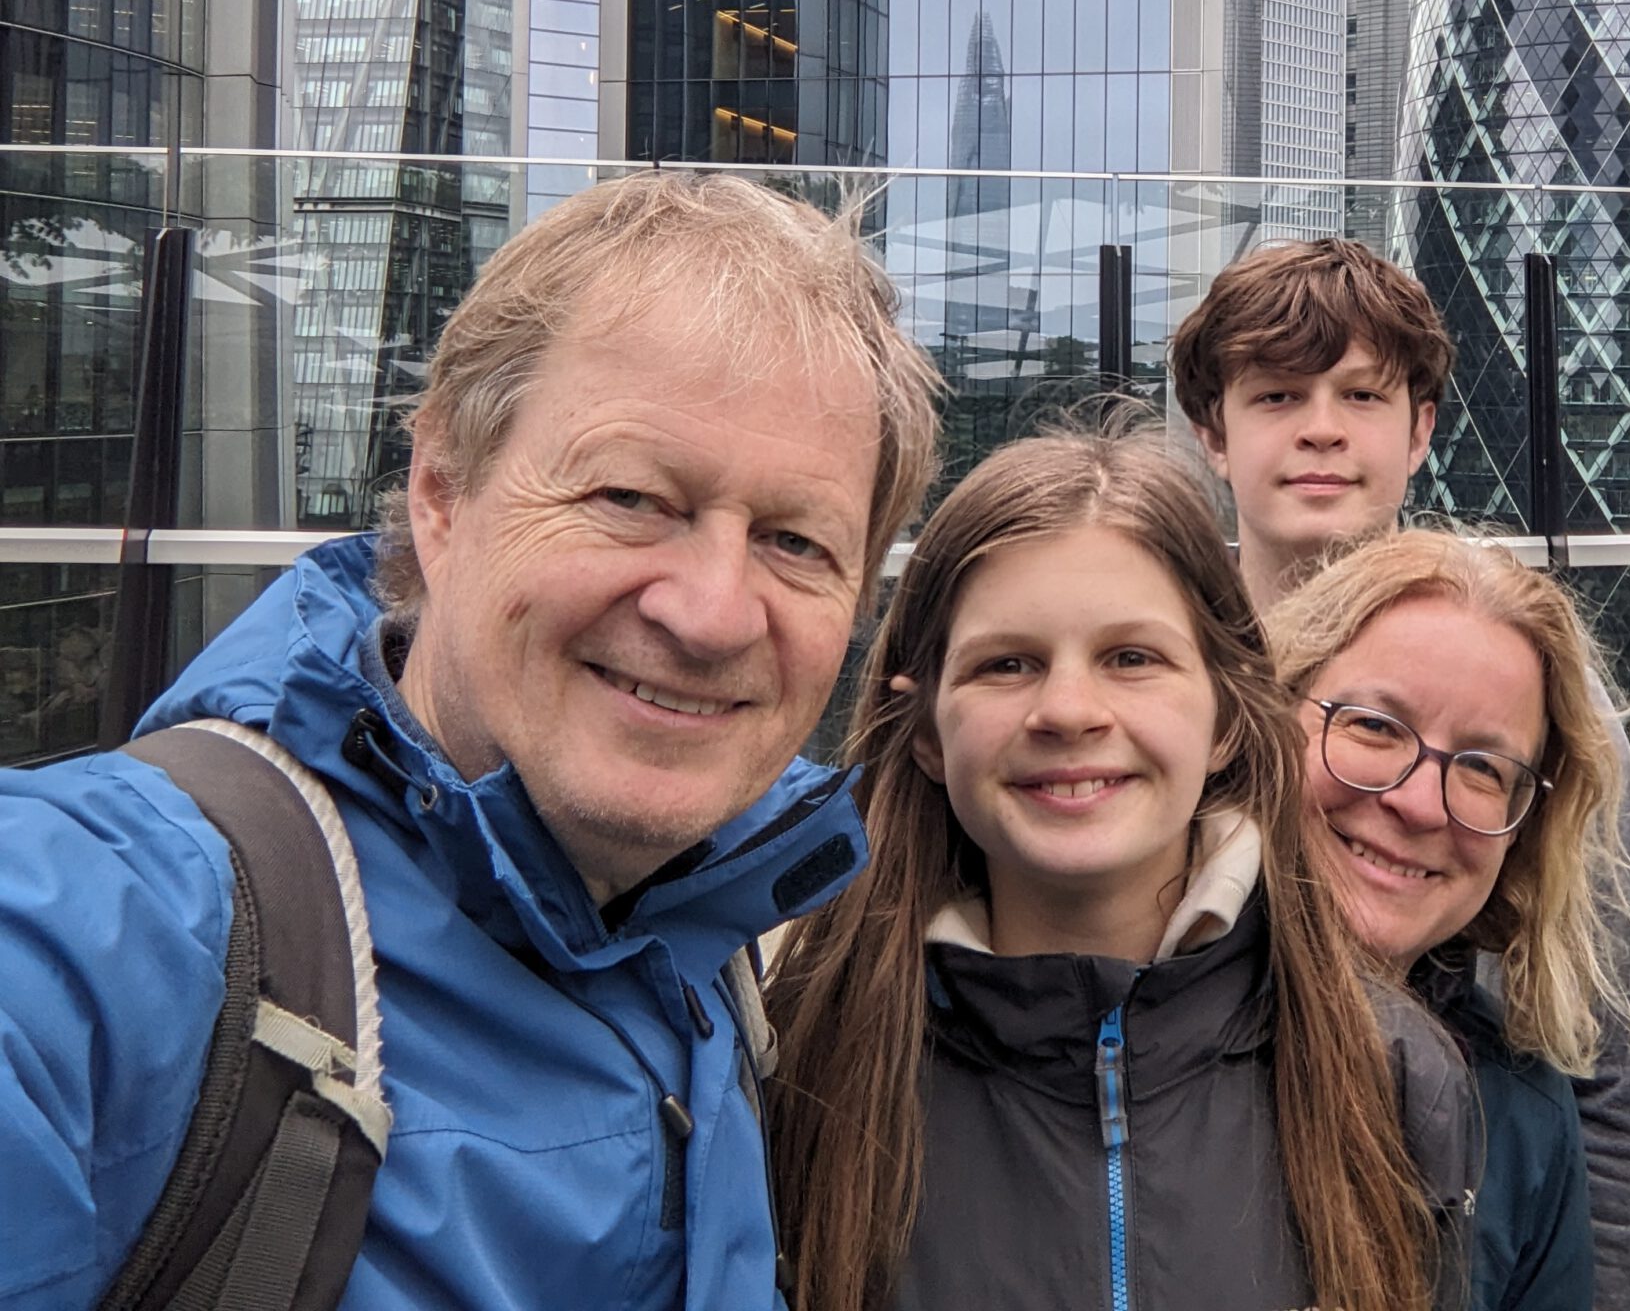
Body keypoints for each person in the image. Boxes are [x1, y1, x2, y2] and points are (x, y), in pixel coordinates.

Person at [0, 172, 941, 1309]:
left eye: (795, 543)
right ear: (443, 493)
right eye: (632, 499)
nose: (712, 613)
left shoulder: (715, 941)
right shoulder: (111, 925)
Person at [762, 426, 1474, 1311]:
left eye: (1133, 658)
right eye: (1006, 664)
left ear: (1226, 717)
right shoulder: (800, 1066)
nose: (1068, 710)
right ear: (928, 732)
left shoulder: (1389, 1073)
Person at [1169, 237, 1630, 1308]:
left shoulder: (1546, 705)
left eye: (1362, 395)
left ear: (1420, 432)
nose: (1321, 427)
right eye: (1277, 394)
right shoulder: (1161, 682)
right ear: (1213, 433)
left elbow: (1620, 1082)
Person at [1271, 531, 1630, 1311]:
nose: (1418, 803)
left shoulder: (1525, 1116)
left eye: (1481, 768)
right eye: (1373, 725)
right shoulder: (1134, 1040)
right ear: (1272, 717)